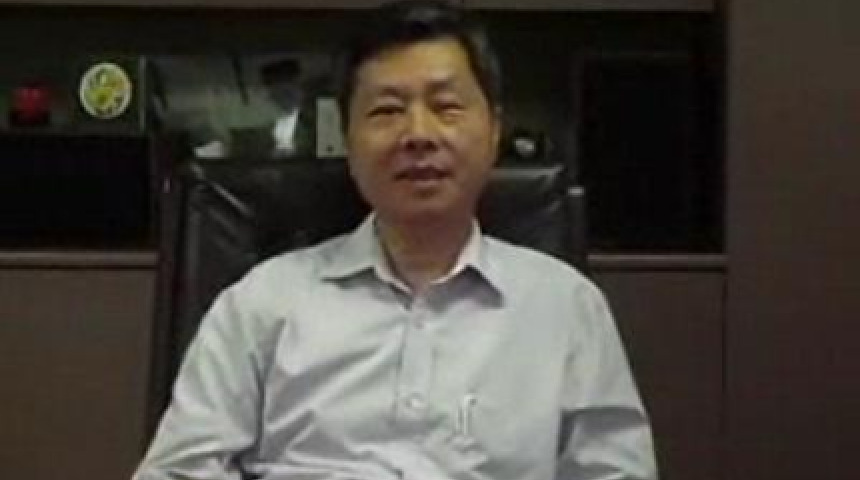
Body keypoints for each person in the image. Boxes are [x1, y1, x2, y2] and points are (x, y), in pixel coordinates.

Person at [133, 1, 657, 479]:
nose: (418, 135)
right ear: (346, 136)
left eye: (446, 107)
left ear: (494, 129)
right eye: (386, 111)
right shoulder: (262, 304)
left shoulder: (566, 307)